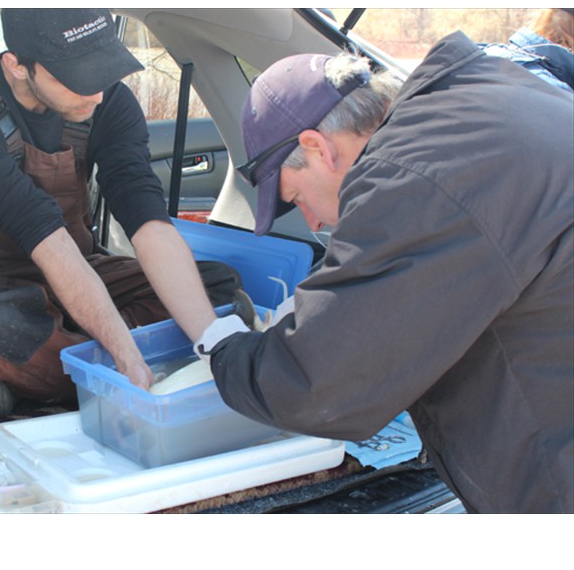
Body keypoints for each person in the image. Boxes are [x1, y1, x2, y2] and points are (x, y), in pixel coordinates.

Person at [194, 32, 574, 513]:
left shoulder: (414, 178)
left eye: (296, 198)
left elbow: (322, 380)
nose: (312, 222)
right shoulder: (479, 99)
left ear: (317, 148)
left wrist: (228, 353)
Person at [0, 8, 237, 419]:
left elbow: (146, 216)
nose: (96, 94)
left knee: (218, 289)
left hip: (82, 268)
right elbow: (42, 230)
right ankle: (125, 365)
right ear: (18, 66)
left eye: (102, 73)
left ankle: (52, 374)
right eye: (77, 78)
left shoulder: (107, 100)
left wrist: (214, 341)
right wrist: (126, 354)